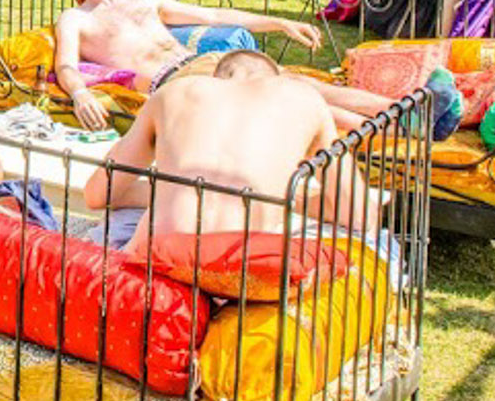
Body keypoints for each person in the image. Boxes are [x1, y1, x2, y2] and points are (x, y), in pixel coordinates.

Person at [52, 0, 394, 132]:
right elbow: (65, 65)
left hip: (208, 62)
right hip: (177, 82)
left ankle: (401, 111)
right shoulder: (75, 19)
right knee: (282, 97)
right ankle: (386, 135)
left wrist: (280, 23)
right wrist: (80, 94)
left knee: (296, 81)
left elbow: (214, 15)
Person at [82, 49, 377, 255]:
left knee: (115, 224)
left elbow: (97, 194)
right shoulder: (305, 99)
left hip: (154, 262)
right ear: (275, 79)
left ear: (218, 77)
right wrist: (285, 199)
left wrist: (164, 189)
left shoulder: (175, 91)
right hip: (238, 272)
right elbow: (359, 214)